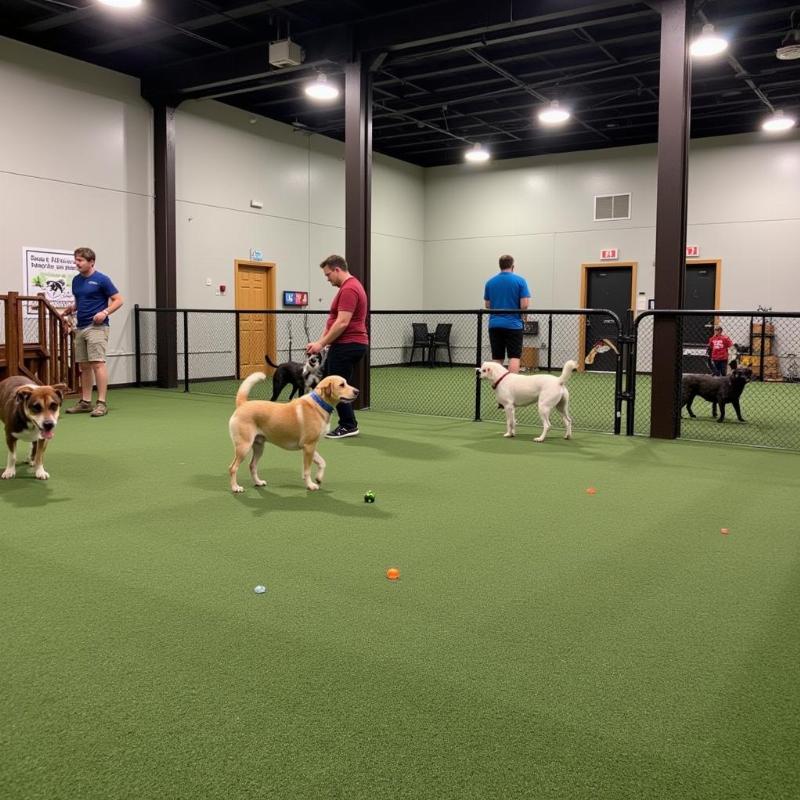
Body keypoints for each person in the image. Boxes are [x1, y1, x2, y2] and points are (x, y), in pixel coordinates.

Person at [306, 254, 368, 439]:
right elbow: (333, 322)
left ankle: (349, 425)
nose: (327, 279)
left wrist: (322, 343)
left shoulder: (349, 289)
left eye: (328, 275)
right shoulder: (348, 288)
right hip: (344, 344)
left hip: (348, 345)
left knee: (335, 387)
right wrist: (319, 343)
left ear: (337, 270)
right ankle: (326, 421)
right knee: (328, 384)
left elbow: (342, 322)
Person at [63, 247, 124, 416]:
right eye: (76, 260)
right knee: (84, 366)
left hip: (97, 327)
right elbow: (80, 300)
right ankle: (85, 402)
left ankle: (101, 403)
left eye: (80, 260)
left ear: (91, 262)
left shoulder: (102, 279)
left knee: (97, 363)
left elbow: (119, 300)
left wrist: (104, 312)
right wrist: (72, 308)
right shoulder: (76, 280)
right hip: (80, 327)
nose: (77, 263)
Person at [483, 254, 531, 373]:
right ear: (512, 266)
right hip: (513, 324)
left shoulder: (490, 282)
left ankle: (498, 386)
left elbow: (487, 305)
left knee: (497, 357)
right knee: (514, 357)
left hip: (494, 325)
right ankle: (512, 387)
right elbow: (524, 304)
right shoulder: (520, 281)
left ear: (500, 266)